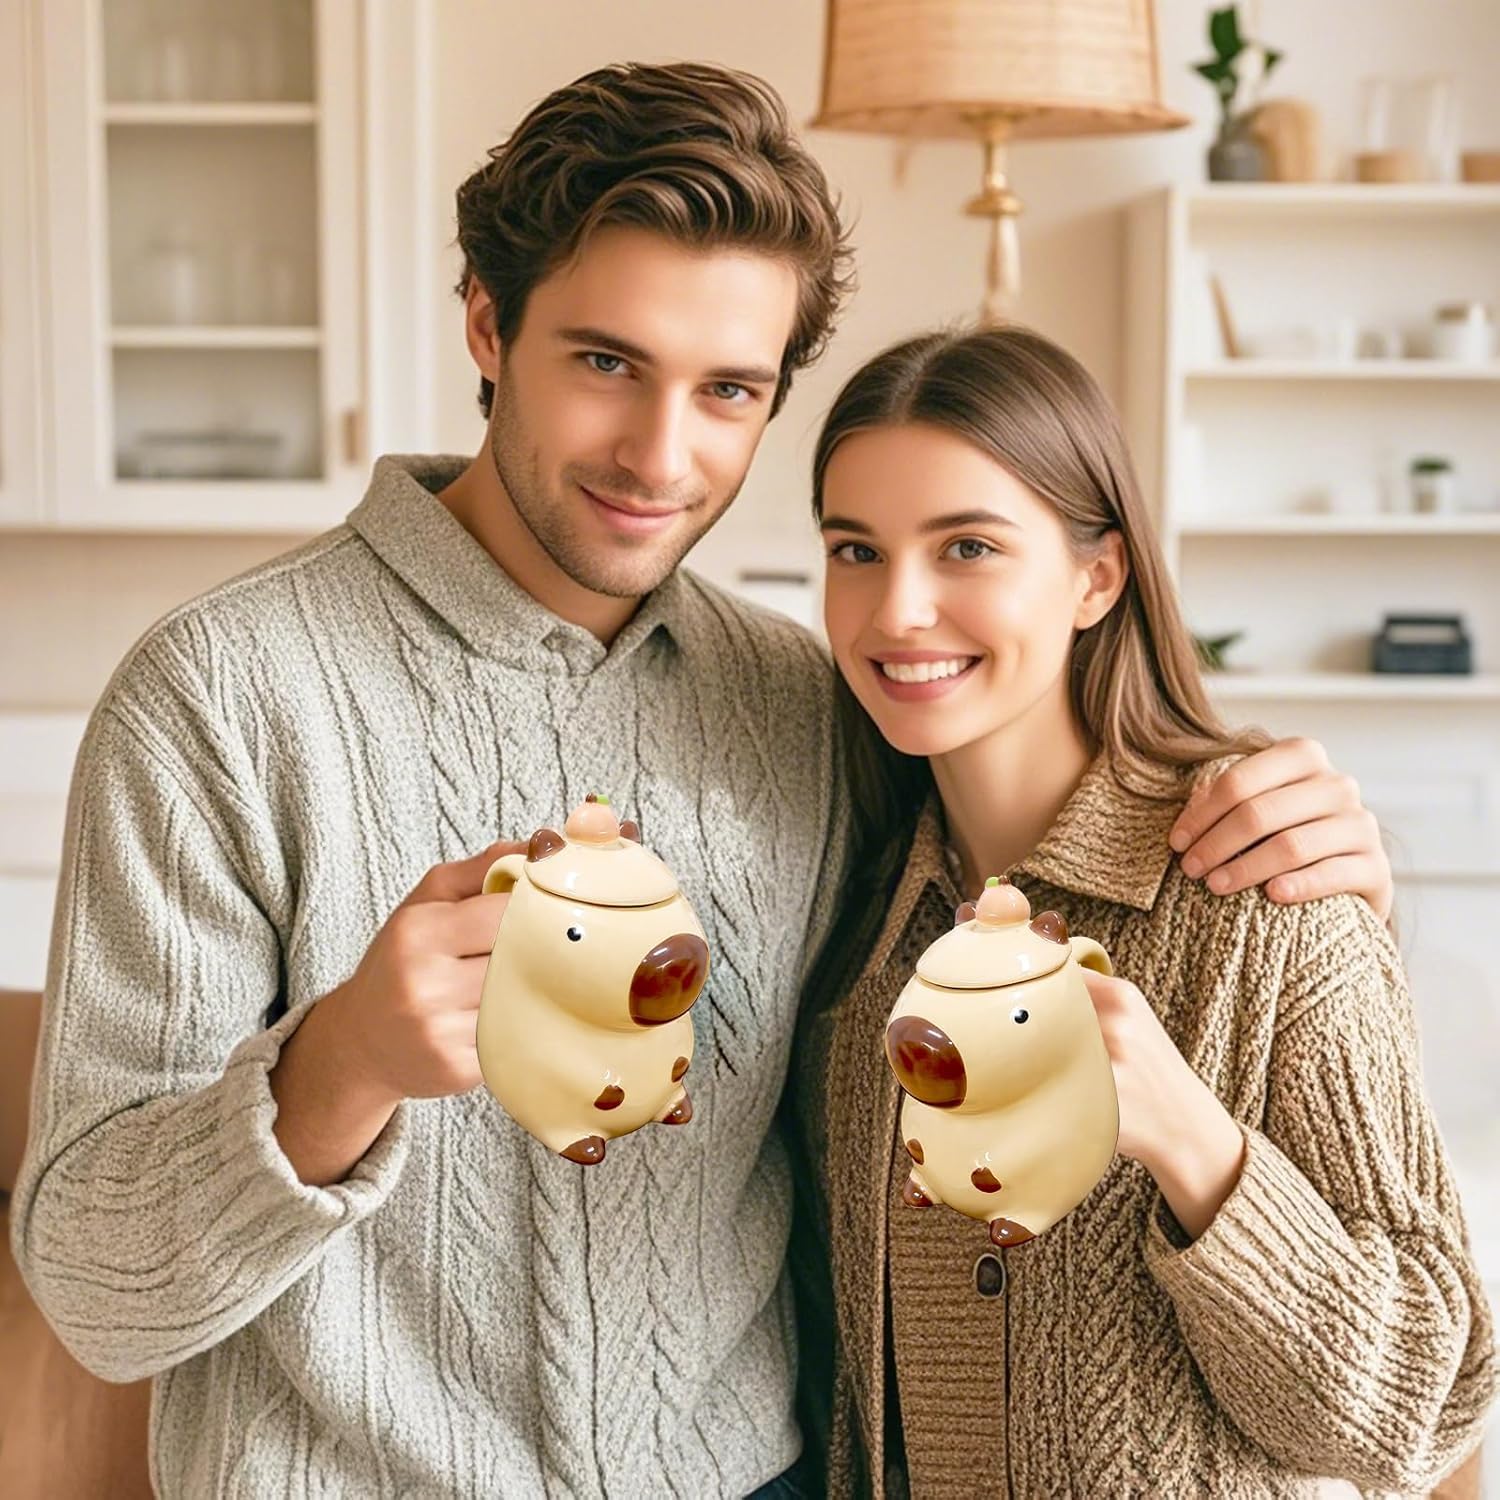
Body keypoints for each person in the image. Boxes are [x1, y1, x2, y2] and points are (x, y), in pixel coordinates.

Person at [12, 62, 1395, 1498]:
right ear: (489, 324)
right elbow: (101, 1302)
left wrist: (1311, 851)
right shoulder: (220, 697)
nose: (661, 457)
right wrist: (342, 1064)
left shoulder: (805, 698)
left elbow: (1036, 851)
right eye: (606, 362)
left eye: (728, 390)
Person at [788, 325, 1498, 1498]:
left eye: (966, 546)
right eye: (854, 549)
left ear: (1097, 577)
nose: (897, 609)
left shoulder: (1264, 894)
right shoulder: (859, 931)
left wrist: (1192, 1143)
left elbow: (1422, 1405)